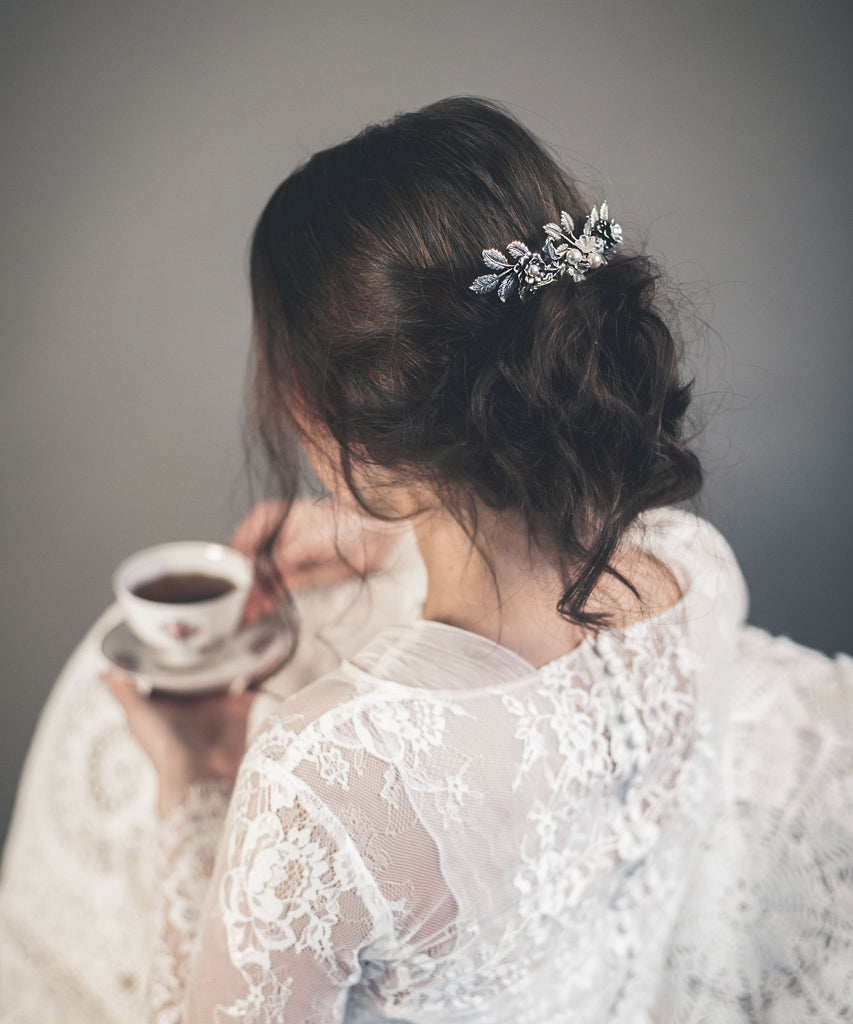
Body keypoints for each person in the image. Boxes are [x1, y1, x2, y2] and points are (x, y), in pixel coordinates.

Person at [1, 97, 851, 1023]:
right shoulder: (694, 576)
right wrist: (377, 525)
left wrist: (198, 776)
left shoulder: (323, 774)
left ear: (321, 410)